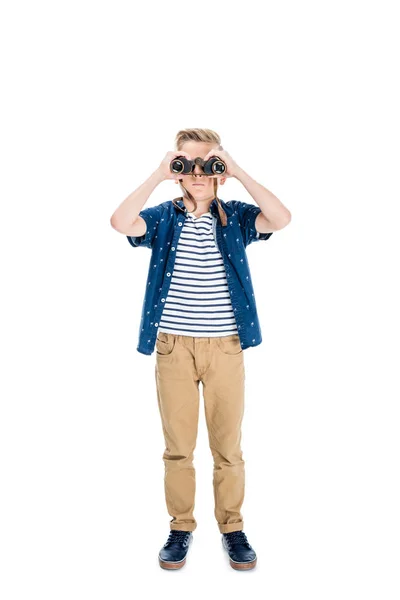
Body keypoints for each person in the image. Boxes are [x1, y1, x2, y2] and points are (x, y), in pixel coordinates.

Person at [110, 128, 291, 570]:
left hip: (226, 346)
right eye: (185, 164)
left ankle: (232, 528)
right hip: (173, 347)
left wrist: (237, 169)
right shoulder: (164, 216)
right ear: (177, 171)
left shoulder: (236, 217)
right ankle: (181, 527)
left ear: (219, 171)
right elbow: (120, 222)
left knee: (228, 446)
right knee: (179, 447)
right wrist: (157, 174)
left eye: (206, 164)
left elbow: (281, 218)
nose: (196, 173)